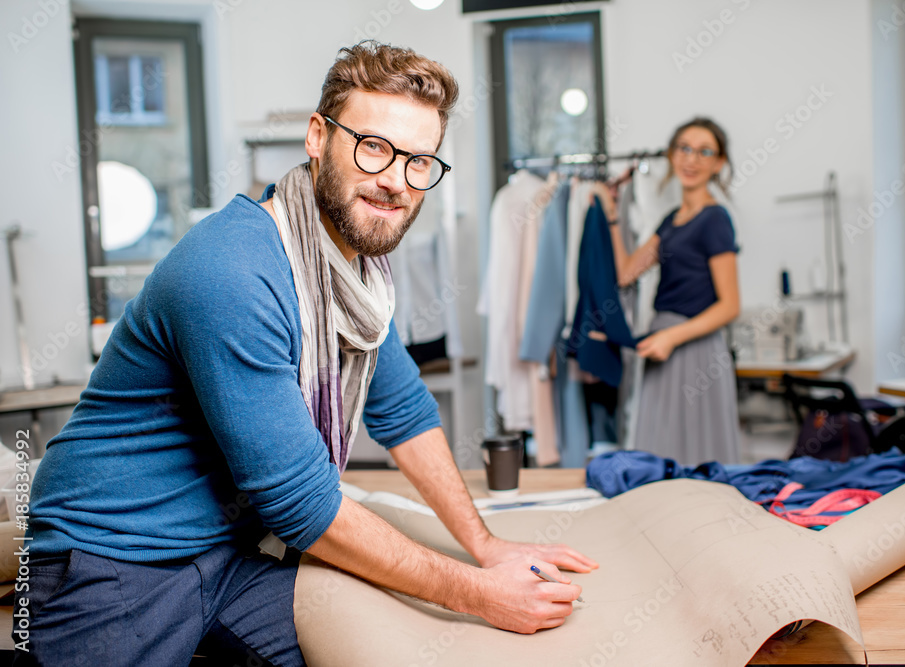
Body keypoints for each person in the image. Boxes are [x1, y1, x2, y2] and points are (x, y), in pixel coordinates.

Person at [18, 41, 597, 666]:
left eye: (419, 161)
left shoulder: (358, 275)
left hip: (231, 557)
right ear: (318, 137)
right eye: (374, 147)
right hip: (110, 558)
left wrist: (485, 546)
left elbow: (401, 410)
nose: (395, 182)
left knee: (390, 647)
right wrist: (479, 593)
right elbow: (301, 506)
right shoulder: (232, 270)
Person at [595, 117, 741, 465]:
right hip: (663, 344)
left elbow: (730, 306)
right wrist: (613, 216)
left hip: (696, 347)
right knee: (660, 453)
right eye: (685, 149)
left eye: (705, 152)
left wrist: (673, 337)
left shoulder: (715, 219)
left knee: (699, 457)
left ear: (719, 162)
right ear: (673, 155)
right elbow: (627, 273)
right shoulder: (671, 220)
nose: (692, 159)